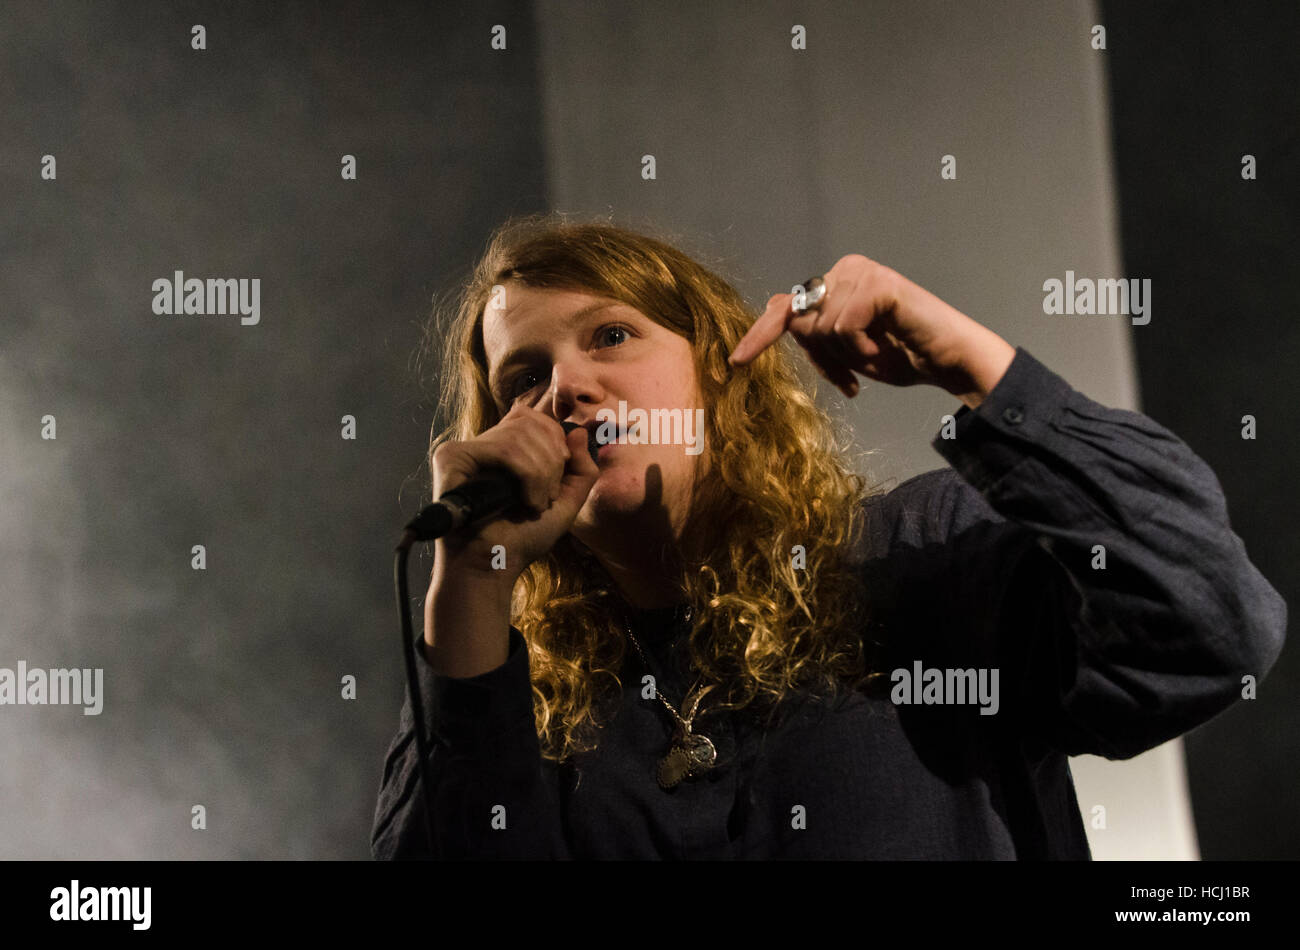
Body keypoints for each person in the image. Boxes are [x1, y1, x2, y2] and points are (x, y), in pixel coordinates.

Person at [371, 214, 1286, 859]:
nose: (563, 389)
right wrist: (474, 578)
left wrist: (973, 365)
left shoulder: (918, 557)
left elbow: (1209, 624)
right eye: (522, 376)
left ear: (723, 374)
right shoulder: (507, 693)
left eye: (610, 335)